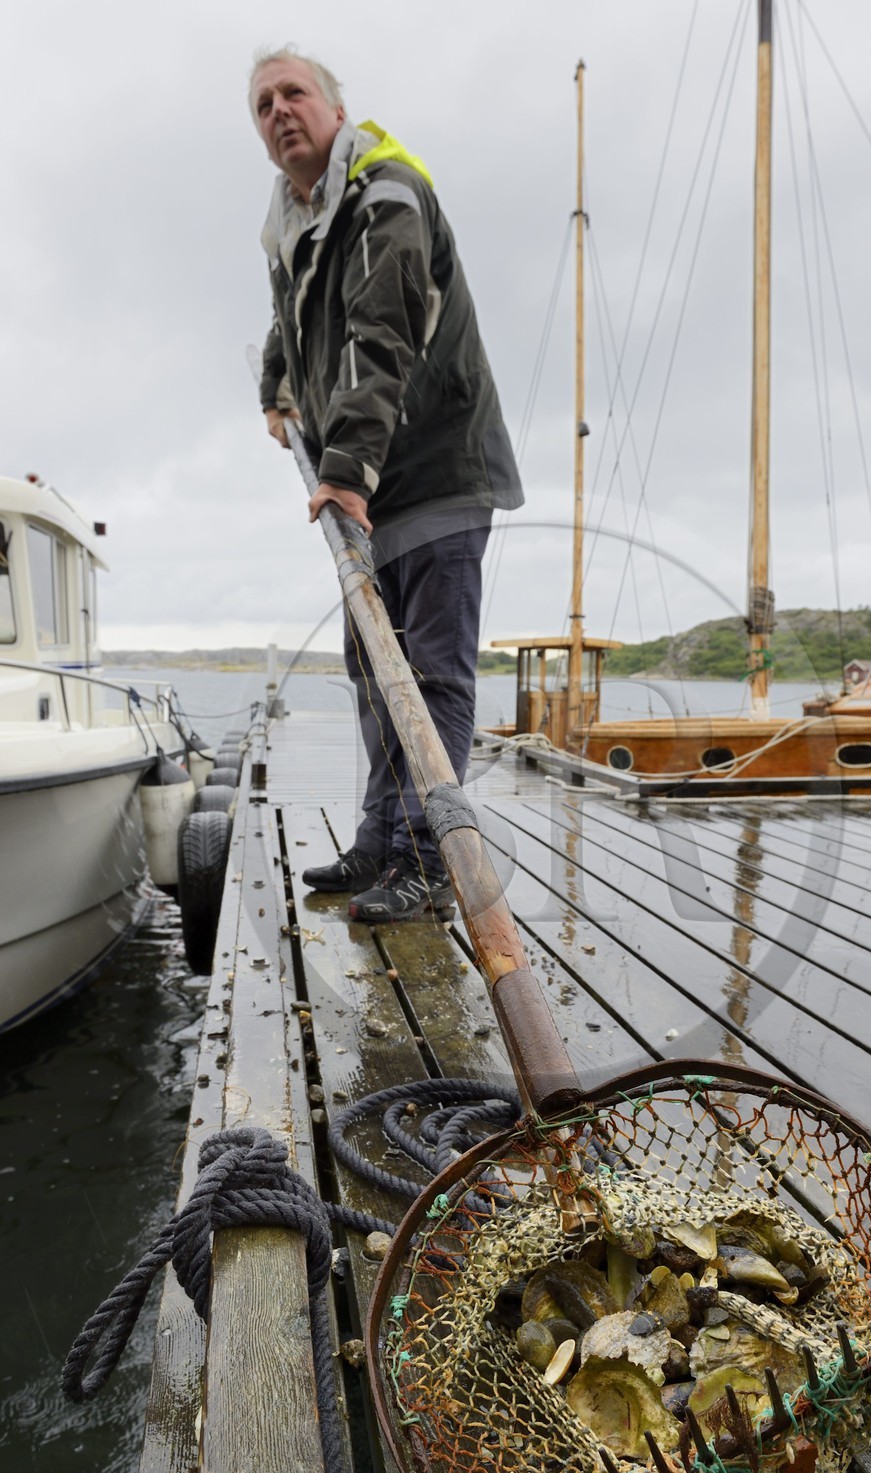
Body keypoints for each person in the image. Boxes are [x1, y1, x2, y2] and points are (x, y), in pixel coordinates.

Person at [250, 48, 523, 920]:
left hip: (434, 465)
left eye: (294, 94)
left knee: (430, 669)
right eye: (263, 105)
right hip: (369, 479)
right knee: (373, 667)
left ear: (334, 109)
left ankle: (427, 856)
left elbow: (381, 334)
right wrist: (274, 390)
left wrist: (343, 473)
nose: (280, 111)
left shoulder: (385, 192)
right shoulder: (293, 222)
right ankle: (380, 836)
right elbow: (292, 323)